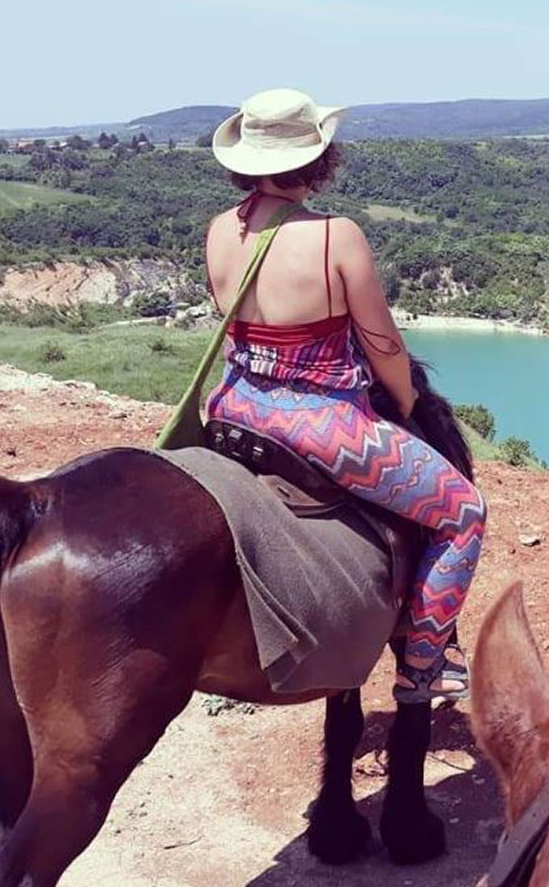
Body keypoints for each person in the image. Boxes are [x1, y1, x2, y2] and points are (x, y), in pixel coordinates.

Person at [204, 88, 487, 700]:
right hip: (321, 424)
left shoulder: (220, 230)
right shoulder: (337, 236)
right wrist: (406, 403)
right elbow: (383, 345)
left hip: (233, 404)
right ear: (317, 158)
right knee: (463, 513)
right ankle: (424, 668)